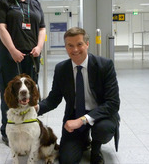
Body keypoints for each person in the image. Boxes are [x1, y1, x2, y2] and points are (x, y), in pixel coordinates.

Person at [36, 27, 120, 164]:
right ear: (66, 47)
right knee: (67, 160)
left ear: (87, 44)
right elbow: (54, 98)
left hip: (100, 115)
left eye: (79, 44)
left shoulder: (104, 66)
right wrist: (36, 108)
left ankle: (96, 149)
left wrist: (82, 120)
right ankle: (83, 140)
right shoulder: (61, 69)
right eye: (70, 45)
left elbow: (113, 103)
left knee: (102, 130)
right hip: (74, 115)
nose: (75, 50)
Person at [0, 0, 46, 146]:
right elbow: (1, 28)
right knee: (9, 94)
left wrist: (39, 46)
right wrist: (12, 50)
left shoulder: (35, 4)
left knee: (30, 93)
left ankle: (29, 127)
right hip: (9, 56)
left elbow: (42, 29)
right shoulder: (4, 2)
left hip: (31, 57)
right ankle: (7, 131)